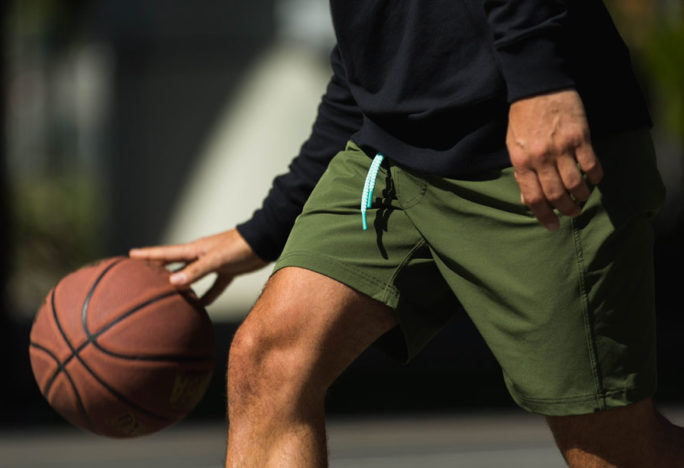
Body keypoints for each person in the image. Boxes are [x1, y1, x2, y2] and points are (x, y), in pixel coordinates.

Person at [131, 1, 684, 466]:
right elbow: (368, 55)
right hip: (392, 157)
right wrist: (264, 231)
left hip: (527, 154)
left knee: (610, 447)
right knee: (268, 360)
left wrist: (540, 82)